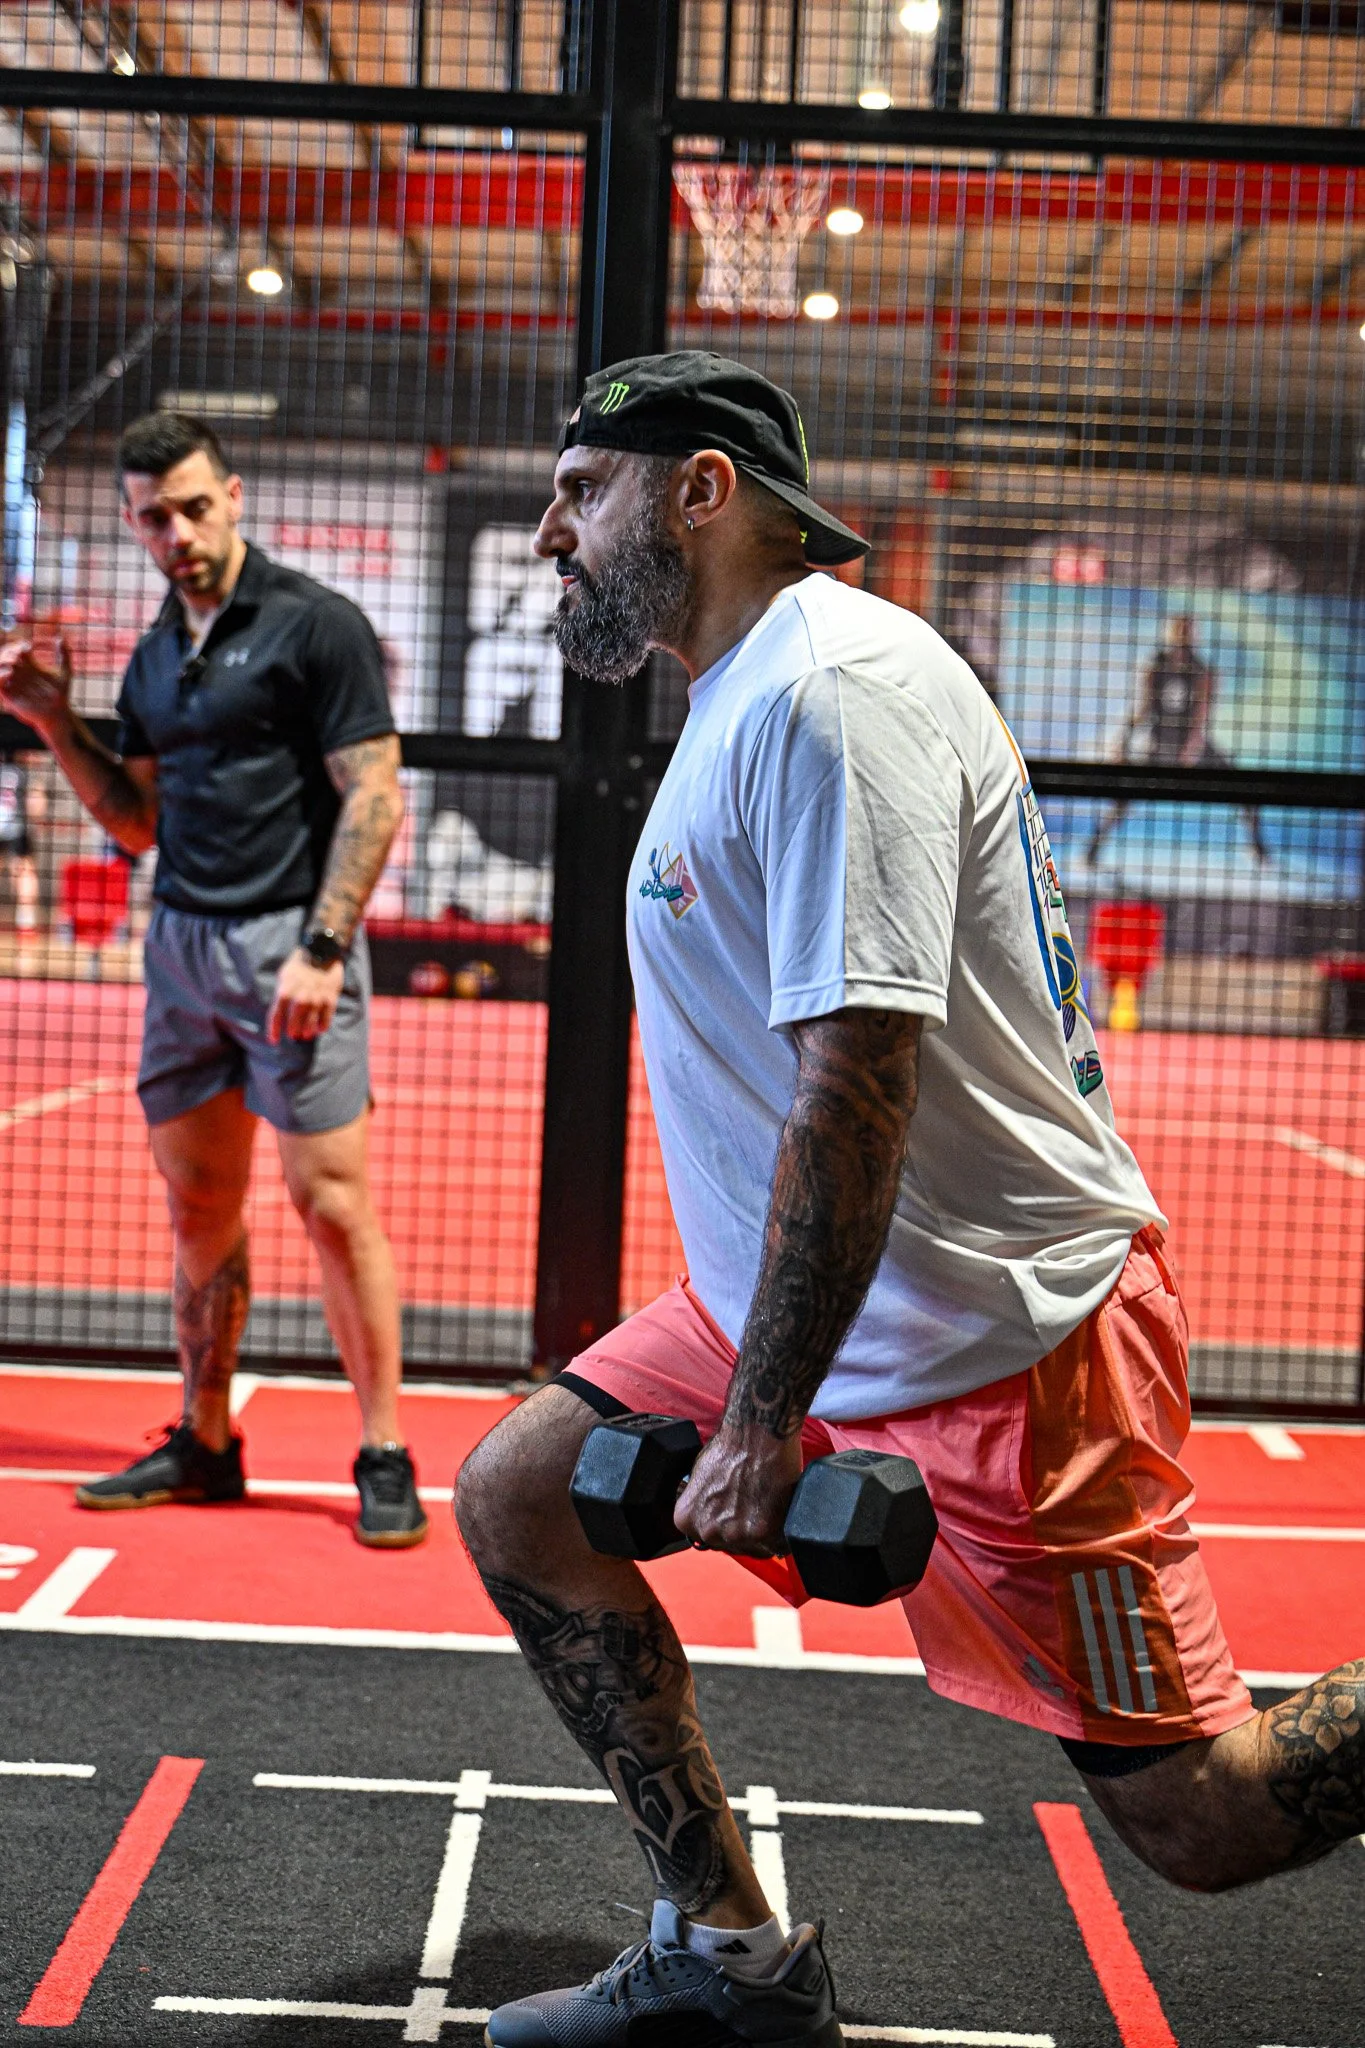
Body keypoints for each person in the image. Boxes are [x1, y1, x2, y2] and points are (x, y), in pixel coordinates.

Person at [453, 353, 1365, 2048]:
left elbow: (856, 1078)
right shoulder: (748, 688)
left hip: (999, 1339)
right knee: (523, 1493)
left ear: (702, 488)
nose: (545, 531)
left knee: (1206, 1818)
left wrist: (759, 1418)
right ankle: (729, 1960)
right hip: (808, 1310)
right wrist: (755, 1369)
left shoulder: (831, 691)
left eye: (580, 488)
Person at [0, 412, 427, 1548]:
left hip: (293, 942)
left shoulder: (314, 625)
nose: (176, 531)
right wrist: (52, 718)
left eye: (193, 505)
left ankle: (384, 1446)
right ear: (133, 521)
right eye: (152, 514)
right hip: (182, 951)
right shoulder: (151, 655)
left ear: (231, 495)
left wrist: (325, 948)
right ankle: (205, 1437)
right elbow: (136, 821)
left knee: (331, 1204)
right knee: (199, 1207)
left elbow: (377, 795)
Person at [1086, 610, 1270, 865]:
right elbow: (1143, 707)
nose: (1183, 635)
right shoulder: (1156, 666)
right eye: (1179, 629)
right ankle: (1093, 848)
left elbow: (1202, 714)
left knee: (1242, 784)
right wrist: (1123, 738)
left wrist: (1192, 747)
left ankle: (1258, 846)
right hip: (1158, 743)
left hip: (1189, 745)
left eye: (1189, 630)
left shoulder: (1202, 671)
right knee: (1124, 794)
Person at [0, 747, 43, 934]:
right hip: (18, 823)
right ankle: (26, 919)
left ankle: (26, 918)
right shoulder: (24, 770)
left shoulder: (22, 769)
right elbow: (37, 803)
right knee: (25, 869)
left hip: (14, 823)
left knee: (24, 870)